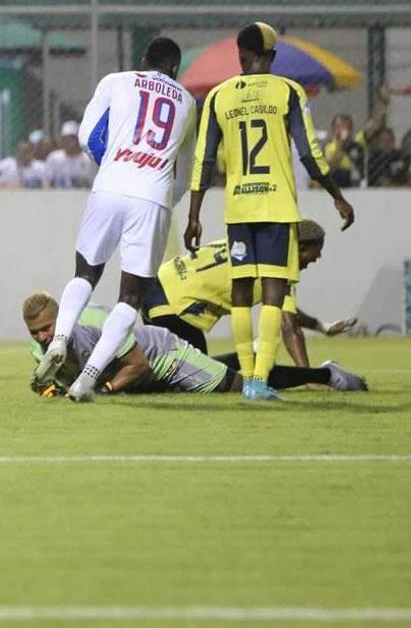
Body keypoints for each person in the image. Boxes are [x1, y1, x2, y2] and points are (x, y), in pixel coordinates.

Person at [185, 22, 354, 401]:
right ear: (272, 55)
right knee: (275, 292)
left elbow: (204, 159)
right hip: (277, 206)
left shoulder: (218, 96)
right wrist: (336, 196)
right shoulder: (288, 91)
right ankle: (260, 381)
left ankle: (247, 378)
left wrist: (194, 215)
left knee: (241, 290)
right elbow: (309, 153)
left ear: (240, 55)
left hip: (238, 207)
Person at [39, 37, 197, 402]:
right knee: (131, 296)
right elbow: (185, 171)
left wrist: (112, 164)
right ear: (174, 68)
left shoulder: (117, 81)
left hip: (110, 185)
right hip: (152, 197)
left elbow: (86, 137)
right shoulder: (188, 102)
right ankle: (88, 378)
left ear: (144, 60)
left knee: (85, 274)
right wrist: (165, 200)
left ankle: (60, 339)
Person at [24, 293, 367, 398]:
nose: (42, 337)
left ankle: (325, 375)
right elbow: (60, 380)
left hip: (164, 357)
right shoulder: (38, 349)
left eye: (47, 328)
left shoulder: (98, 323)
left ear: (62, 318)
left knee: (242, 385)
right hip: (142, 379)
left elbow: (138, 365)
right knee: (219, 369)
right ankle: (251, 352)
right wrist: (53, 389)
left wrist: (104, 390)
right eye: (35, 332)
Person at [144, 219, 356, 367]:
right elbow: (288, 325)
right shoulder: (277, 267)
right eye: (317, 250)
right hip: (175, 306)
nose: (318, 257)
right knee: (198, 375)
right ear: (300, 248)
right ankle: (254, 356)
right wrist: (308, 377)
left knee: (187, 368)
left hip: (155, 286)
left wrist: (322, 327)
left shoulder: (253, 242)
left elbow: (285, 310)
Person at [45, 120, 95, 189]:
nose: (70, 141)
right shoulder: (54, 157)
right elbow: (47, 183)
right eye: (66, 138)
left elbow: (93, 184)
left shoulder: (88, 159)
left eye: (73, 138)